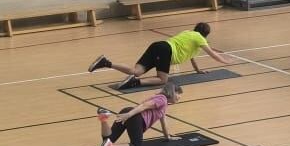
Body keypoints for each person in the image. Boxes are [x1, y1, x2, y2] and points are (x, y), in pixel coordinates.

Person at [89, 22, 236, 92]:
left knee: (136, 70)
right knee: (163, 80)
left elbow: (191, 56)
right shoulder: (200, 39)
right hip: (166, 51)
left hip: (158, 45)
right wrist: (226, 61)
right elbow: (213, 54)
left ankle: (106, 63)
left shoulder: (188, 33)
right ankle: (135, 83)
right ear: (206, 34)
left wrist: (197, 70)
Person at [93, 82, 183, 146]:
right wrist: (128, 115)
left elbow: (163, 122)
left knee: (108, 139)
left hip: (129, 112)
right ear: (172, 92)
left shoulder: (162, 102)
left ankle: (103, 118)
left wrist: (168, 137)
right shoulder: (162, 99)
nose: (180, 97)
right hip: (135, 117)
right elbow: (144, 105)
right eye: (178, 93)